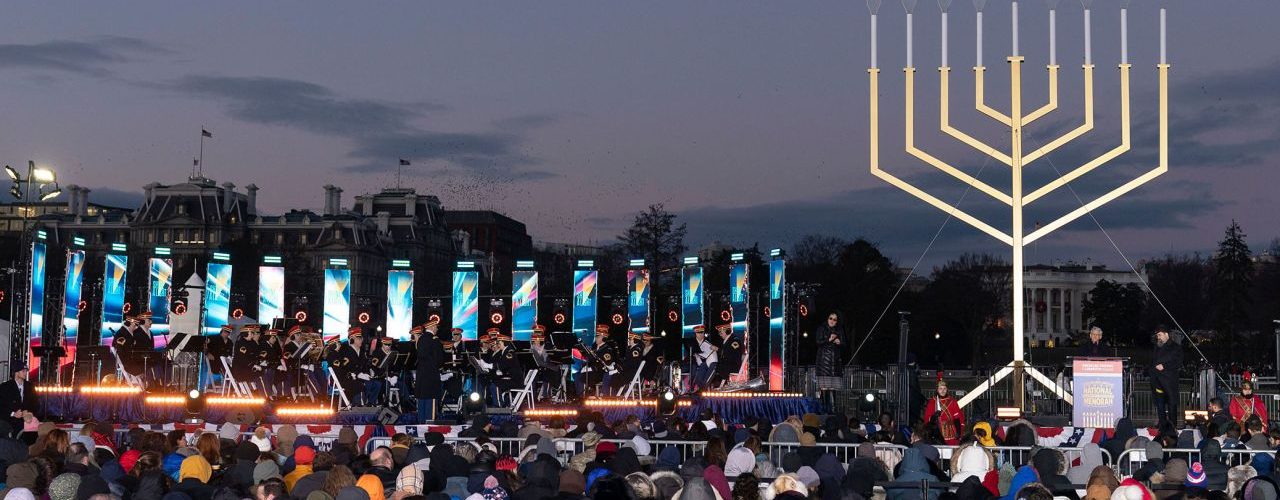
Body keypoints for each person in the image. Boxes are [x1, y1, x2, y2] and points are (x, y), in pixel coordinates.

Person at [1149, 326, 1183, 427]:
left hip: (1169, 382)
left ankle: (1172, 426)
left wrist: (1164, 366)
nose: (1158, 337)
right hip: (1157, 382)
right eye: (1157, 335)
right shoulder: (1157, 346)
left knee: (1172, 405)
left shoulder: (1176, 347)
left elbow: (1178, 362)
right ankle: (1162, 425)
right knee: (1160, 405)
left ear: (1166, 334)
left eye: (1159, 335)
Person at [414, 319, 444, 422]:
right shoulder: (434, 340)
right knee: (431, 402)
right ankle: (429, 426)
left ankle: (421, 425)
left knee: (422, 402)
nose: (437, 329)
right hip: (431, 374)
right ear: (432, 327)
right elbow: (439, 359)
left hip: (421, 375)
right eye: (436, 327)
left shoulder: (421, 339)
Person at [923, 378, 965, 445]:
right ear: (937, 390)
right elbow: (927, 418)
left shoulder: (952, 401)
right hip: (937, 431)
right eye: (940, 388)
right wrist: (934, 416)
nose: (943, 391)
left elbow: (957, 417)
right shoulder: (932, 402)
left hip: (951, 431)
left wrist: (958, 431)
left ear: (947, 389)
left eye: (944, 388)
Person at [0, 363, 37, 437]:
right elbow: (1, 406)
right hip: (10, 422)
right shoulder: (5, 387)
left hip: (27, 422)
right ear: (16, 373)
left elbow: (35, 404)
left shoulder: (30, 386)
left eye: (26, 371)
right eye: (23, 371)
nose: (25, 373)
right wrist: (13, 414)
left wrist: (30, 413)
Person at [814, 312, 844, 377]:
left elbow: (844, 344)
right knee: (825, 382)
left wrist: (839, 342)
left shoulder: (839, 330)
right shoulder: (821, 328)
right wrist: (829, 340)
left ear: (836, 322)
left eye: (834, 319)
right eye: (830, 318)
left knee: (835, 382)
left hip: (835, 364)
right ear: (827, 319)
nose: (832, 321)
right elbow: (818, 342)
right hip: (823, 363)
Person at [689, 325, 717, 392]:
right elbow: (689, 354)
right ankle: (692, 387)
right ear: (695, 333)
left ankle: (702, 389)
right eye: (699, 333)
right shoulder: (692, 342)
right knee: (693, 370)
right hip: (695, 362)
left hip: (706, 362)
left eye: (702, 333)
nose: (701, 334)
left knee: (705, 372)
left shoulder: (708, 342)